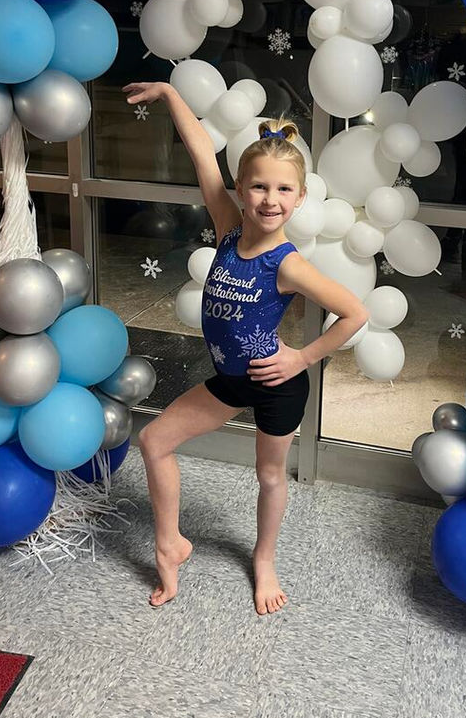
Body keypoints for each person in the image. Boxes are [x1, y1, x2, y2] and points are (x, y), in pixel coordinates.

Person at [122, 80, 369, 615]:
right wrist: (169, 93)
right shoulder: (228, 230)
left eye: (283, 190)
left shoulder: (288, 263)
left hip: (277, 386)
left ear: (299, 198)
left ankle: (264, 559)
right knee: (155, 441)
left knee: (270, 475)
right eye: (259, 187)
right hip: (231, 380)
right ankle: (170, 545)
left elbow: (355, 313)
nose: (270, 200)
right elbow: (200, 153)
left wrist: (301, 357)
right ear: (239, 188)